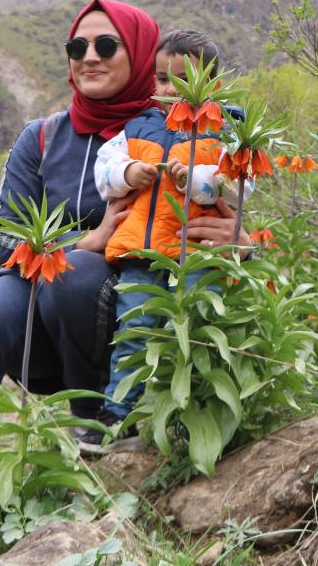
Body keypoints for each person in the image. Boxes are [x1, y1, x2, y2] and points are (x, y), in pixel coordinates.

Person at [0, 0, 251, 474]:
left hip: (137, 278)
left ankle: (103, 417)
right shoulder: (42, 136)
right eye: (77, 47)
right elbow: (3, 238)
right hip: (42, 277)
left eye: (106, 45)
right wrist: (81, 243)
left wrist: (238, 237)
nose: (89, 56)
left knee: (76, 276)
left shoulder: (184, 130)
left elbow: (228, 196)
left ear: (141, 56)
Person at [80, 30, 252, 452]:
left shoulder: (228, 129)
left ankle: (197, 415)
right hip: (143, 253)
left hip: (199, 254)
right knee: (134, 330)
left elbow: (238, 186)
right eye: (162, 79)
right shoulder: (139, 126)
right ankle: (118, 416)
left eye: (183, 80)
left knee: (200, 327)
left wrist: (194, 180)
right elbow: (105, 170)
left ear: (212, 83)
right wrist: (127, 173)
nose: (171, 90)